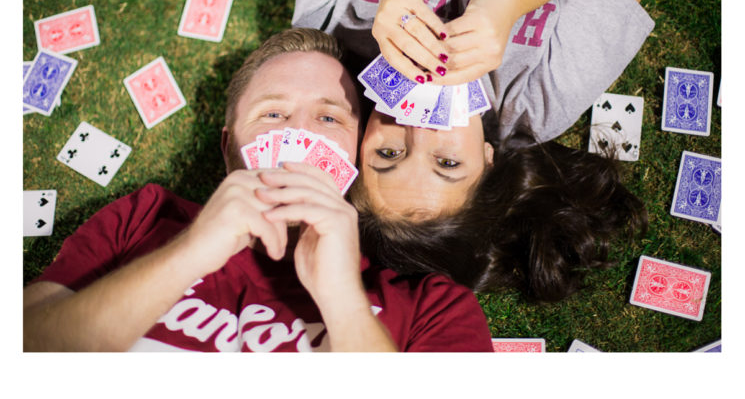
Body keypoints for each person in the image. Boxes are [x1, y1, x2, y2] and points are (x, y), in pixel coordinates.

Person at [292, 0, 662, 299]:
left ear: (358, 144)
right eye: (447, 163)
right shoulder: (537, 99)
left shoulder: (328, 36)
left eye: (389, 153)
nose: (418, 129)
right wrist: (510, 0)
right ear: (489, 161)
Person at [23, 28, 493, 352]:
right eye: (272, 115)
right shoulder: (145, 216)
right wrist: (190, 253)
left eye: (329, 118)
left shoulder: (433, 306)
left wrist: (344, 303)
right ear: (230, 149)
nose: (299, 133)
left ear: (356, 157)